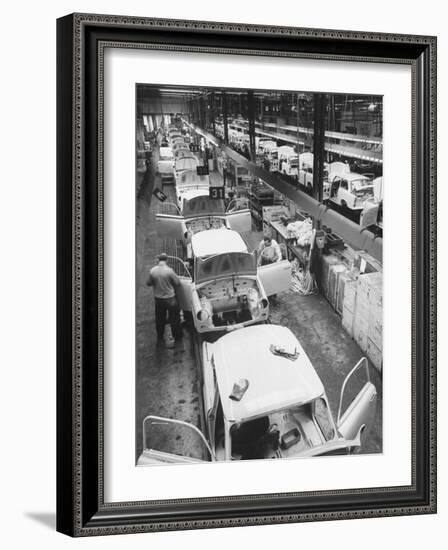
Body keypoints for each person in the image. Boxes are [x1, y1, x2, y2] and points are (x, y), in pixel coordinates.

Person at [146, 253, 183, 344]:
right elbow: (178, 283)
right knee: (174, 319)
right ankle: (177, 338)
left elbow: (148, 283)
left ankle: (160, 336)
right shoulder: (169, 271)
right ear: (167, 260)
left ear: (158, 260)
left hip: (158, 300)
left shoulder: (153, 271)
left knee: (160, 319)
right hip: (170, 299)